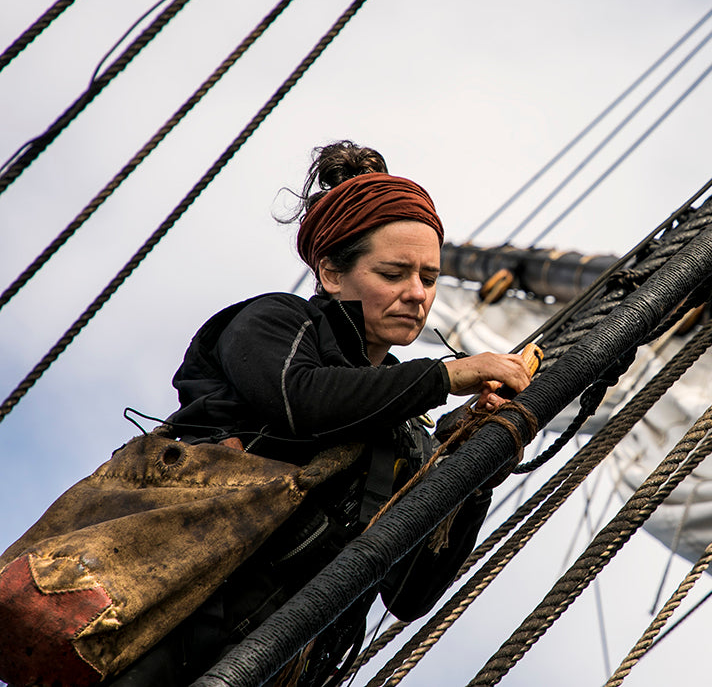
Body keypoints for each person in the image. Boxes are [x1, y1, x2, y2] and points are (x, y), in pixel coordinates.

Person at [106, 141, 533, 686]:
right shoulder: (274, 322)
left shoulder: (405, 432)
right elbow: (301, 401)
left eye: (428, 277)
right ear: (331, 272)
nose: (416, 294)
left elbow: (410, 593)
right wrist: (445, 376)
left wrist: (476, 465)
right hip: (169, 632)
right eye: (394, 272)